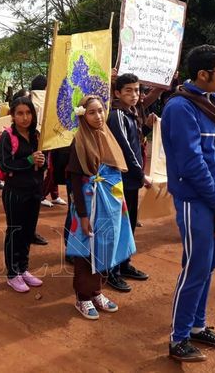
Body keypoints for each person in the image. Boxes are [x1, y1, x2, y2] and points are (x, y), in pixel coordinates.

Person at [162, 45, 215, 362]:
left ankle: (197, 326)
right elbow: (193, 164)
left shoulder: (210, 100)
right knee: (195, 267)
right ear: (203, 74)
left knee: (209, 266)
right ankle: (178, 338)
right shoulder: (181, 108)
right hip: (197, 199)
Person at [65, 95, 135, 320]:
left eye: (100, 111)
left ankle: (96, 292)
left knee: (104, 247)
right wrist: (83, 216)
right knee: (86, 251)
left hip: (109, 206)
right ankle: (82, 297)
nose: (98, 116)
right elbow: (75, 181)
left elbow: (114, 172)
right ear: (83, 115)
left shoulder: (107, 136)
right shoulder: (80, 141)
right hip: (88, 204)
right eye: (92, 112)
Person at [105, 73, 154, 292]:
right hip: (119, 179)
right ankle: (112, 272)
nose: (134, 95)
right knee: (118, 226)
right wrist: (141, 173)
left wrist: (149, 126)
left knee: (130, 224)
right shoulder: (116, 115)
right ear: (117, 93)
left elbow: (136, 141)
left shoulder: (131, 112)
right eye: (128, 91)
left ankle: (124, 265)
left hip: (131, 180)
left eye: (137, 90)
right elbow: (125, 149)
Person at [0, 97, 46, 292]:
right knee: (15, 231)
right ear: (12, 115)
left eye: (28, 113)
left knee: (28, 232)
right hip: (15, 192)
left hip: (35, 190)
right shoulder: (7, 137)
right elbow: (5, 164)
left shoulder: (37, 135)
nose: (25, 118)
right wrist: (28, 159)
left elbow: (45, 159)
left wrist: (42, 161)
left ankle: (23, 269)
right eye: (20, 113)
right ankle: (12, 273)